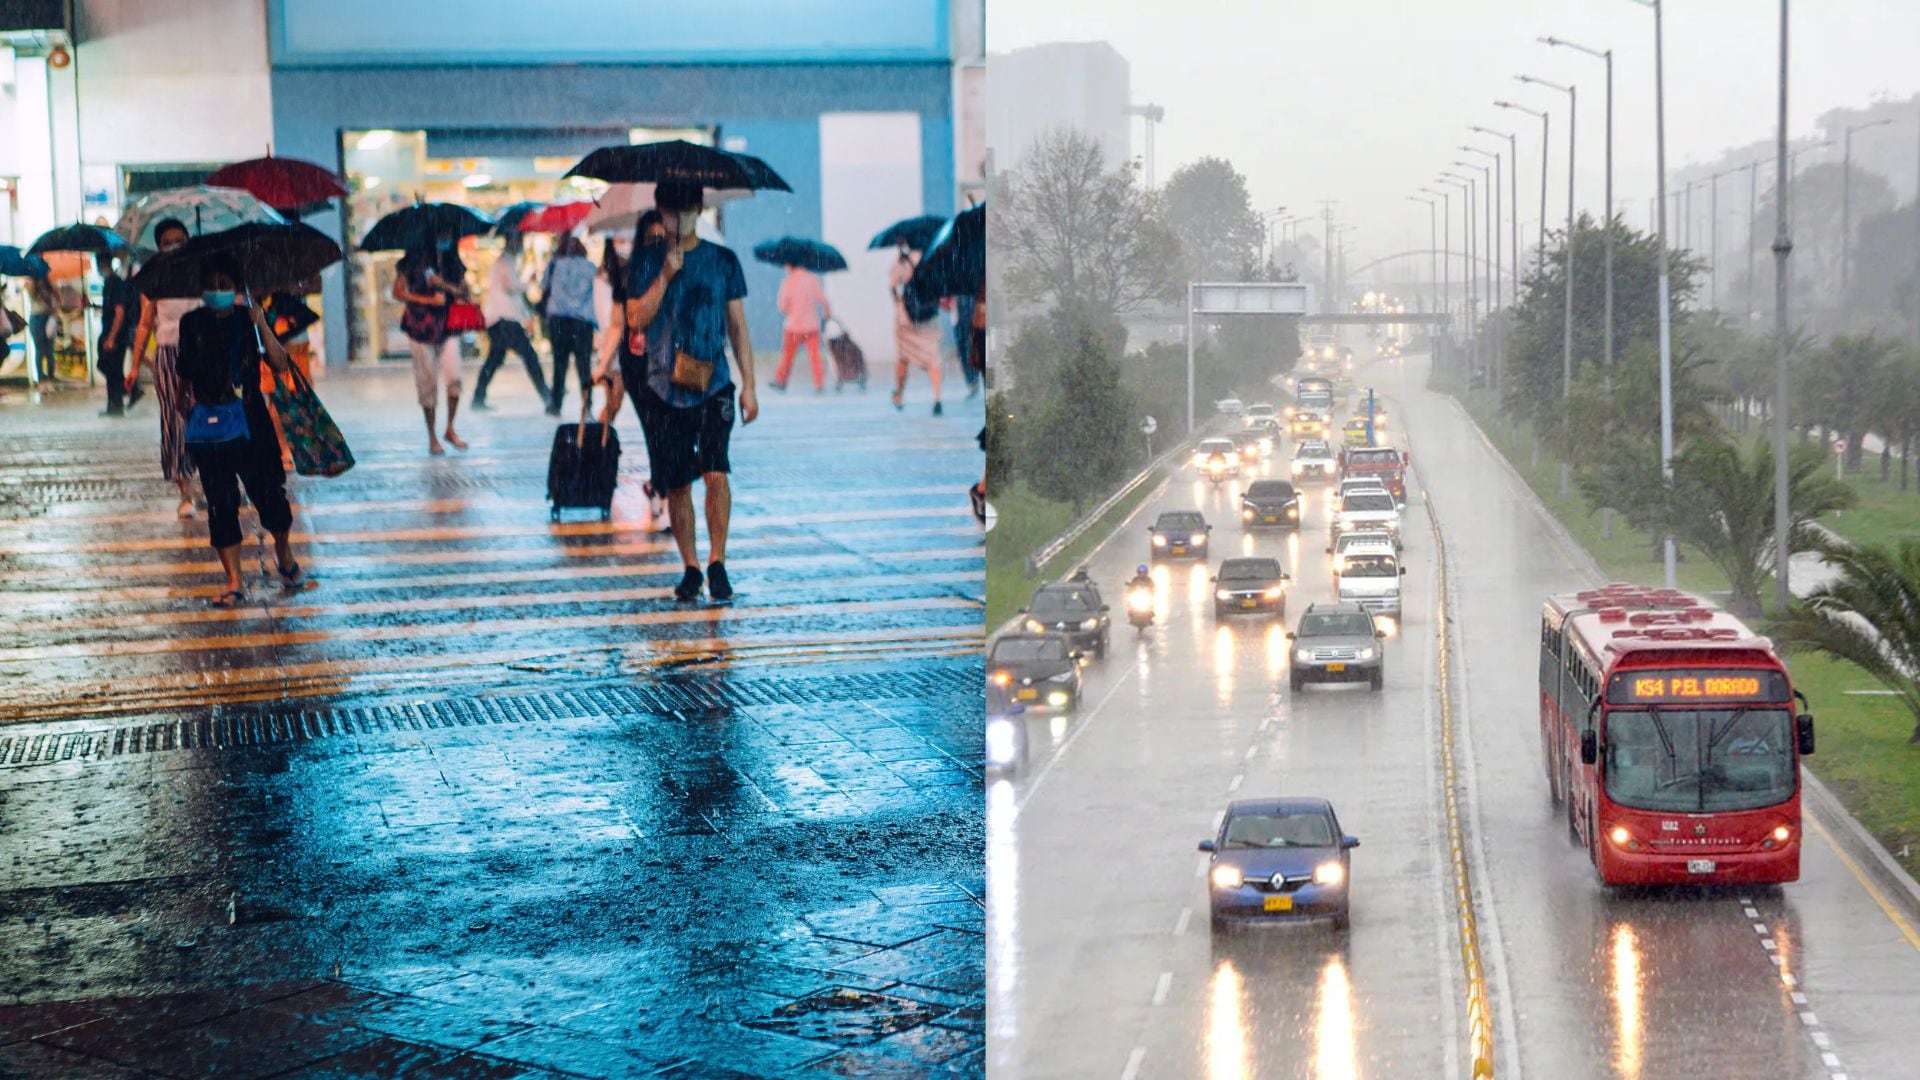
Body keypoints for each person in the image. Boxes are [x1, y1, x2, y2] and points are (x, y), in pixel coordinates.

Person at [624, 183, 759, 602]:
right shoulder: (646, 259)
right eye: (669, 208)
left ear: (698, 208)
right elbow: (635, 318)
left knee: (716, 471)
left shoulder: (722, 261)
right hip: (663, 387)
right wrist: (665, 274)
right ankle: (691, 566)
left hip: (714, 383)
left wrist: (749, 385)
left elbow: (737, 326)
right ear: (660, 210)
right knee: (679, 483)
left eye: (684, 208)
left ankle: (717, 561)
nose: (677, 216)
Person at [173, 257, 300, 608]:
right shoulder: (191, 323)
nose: (218, 291)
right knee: (220, 503)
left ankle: (285, 554)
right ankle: (234, 580)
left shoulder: (250, 320)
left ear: (236, 289)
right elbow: (184, 370)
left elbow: (279, 363)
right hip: (211, 427)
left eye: (225, 284)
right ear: (202, 290)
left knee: (270, 493)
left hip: (252, 422)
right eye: (211, 284)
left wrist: (261, 322)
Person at [594, 211, 670, 525]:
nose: (655, 243)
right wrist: (601, 366)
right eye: (650, 238)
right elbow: (616, 324)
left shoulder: (675, 270)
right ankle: (662, 492)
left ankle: (662, 487)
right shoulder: (628, 274)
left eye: (660, 238)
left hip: (669, 362)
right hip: (637, 363)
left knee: (667, 430)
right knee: (654, 429)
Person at [128, 219, 200, 517]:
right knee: (175, 421)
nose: (175, 245)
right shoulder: (153, 278)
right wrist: (134, 366)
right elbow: (145, 324)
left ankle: (211, 477)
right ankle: (186, 491)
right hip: (169, 355)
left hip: (203, 351)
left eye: (180, 239)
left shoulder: (201, 271)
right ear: (159, 246)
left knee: (207, 414)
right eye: (169, 241)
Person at [393, 228, 470, 454]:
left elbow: (465, 293)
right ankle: (432, 436)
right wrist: (426, 299)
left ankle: (450, 428)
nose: (443, 240)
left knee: (454, 378)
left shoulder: (453, 263)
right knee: (427, 382)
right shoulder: (410, 263)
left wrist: (444, 285)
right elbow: (397, 292)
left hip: (447, 326)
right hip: (420, 326)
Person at [470, 232, 550, 412]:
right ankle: (547, 396)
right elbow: (510, 286)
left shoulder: (509, 261)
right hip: (503, 319)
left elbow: (514, 295)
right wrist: (528, 281)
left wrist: (525, 313)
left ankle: (478, 397)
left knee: (495, 359)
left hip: (502, 319)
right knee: (529, 357)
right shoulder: (505, 261)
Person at [541, 233, 598, 416]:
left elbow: (543, 288)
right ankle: (587, 405)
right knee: (584, 366)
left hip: (559, 321)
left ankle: (556, 405)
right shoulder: (590, 268)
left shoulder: (554, 265)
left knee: (560, 365)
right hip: (583, 322)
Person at [889, 243, 943, 415]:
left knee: (903, 357)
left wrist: (898, 299)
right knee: (933, 358)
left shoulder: (901, 262)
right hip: (928, 317)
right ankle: (937, 398)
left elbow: (892, 286)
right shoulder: (932, 258)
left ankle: (899, 394)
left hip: (906, 317)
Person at [772, 262, 831, 392]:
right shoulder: (812, 279)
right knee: (815, 356)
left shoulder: (788, 282)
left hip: (793, 326)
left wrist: (790, 308)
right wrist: (827, 314)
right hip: (811, 326)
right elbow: (824, 300)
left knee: (787, 356)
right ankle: (819, 383)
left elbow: (783, 307)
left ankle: (781, 381)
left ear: (790, 265)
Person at [96, 251, 139, 416]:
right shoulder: (107, 284)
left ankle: (128, 394)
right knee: (110, 370)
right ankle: (114, 406)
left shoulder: (116, 284)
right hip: (108, 332)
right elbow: (109, 310)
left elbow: (119, 312)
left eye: (101, 264)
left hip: (116, 335)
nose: (100, 268)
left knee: (111, 369)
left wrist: (112, 337)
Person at [26, 271, 57, 383]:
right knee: (39, 349)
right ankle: (41, 379)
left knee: (50, 350)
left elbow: (57, 299)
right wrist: (35, 281)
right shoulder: (31, 284)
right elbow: (31, 292)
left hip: (49, 318)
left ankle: (50, 377)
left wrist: (51, 286)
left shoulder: (49, 285)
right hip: (37, 317)